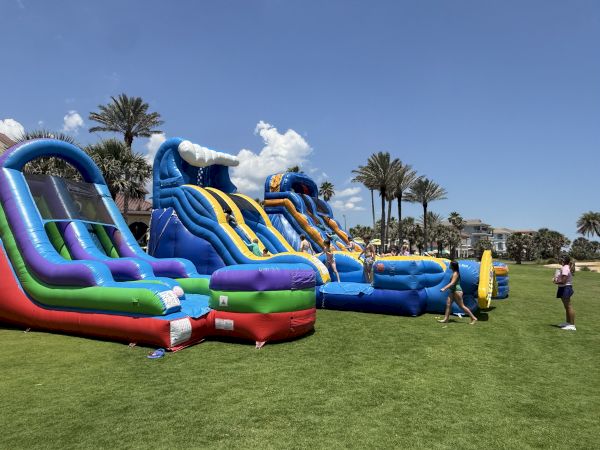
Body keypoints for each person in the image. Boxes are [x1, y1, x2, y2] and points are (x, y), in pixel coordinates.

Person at [553, 255, 576, 330]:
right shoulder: (565, 267)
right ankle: (568, 323)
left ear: (563, 260)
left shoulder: (565, 268)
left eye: (560, 259)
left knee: (568, 306)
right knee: (566, 306)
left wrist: (556, 281)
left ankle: (572, 325)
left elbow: (563, 281)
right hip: (564, 287)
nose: (559, 260)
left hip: (565, 288)